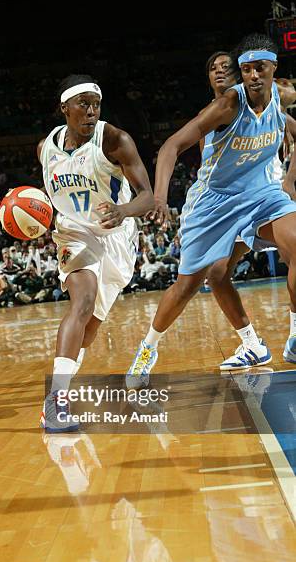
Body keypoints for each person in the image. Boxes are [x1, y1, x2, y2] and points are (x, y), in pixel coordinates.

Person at [127, 33, 296, 387]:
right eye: (245, 68)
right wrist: (160, 197)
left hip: (261, 195)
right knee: (194, 283)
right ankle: (148, 348)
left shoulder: (280, 97)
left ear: (272, 69)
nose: (252, 74)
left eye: (258, 68)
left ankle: (294, 337)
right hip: (214, 204)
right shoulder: (224, 108)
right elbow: (172, 145)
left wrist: (290, 181)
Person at [38, 74, 155, 431]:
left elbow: (148, 196)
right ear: (65, 109)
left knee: (90, 327)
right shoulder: (46, 147)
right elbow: (50, 199)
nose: (91, 112)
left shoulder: (115, 139)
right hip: (74, 232)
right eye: (82, 105)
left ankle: (63, 387)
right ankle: (57, 400)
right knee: (82, 302)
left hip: (117, 235)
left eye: (96, 105)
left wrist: (124, 210)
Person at [203, 51, 296, 369]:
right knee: (216, 274)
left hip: (267, 200)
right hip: (234, 210)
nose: (220, 72)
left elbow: (286, 93)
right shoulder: (214, 114)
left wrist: (290, 180)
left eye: (227, 68)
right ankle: (253, 345)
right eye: (214, 68)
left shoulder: (260, 102)